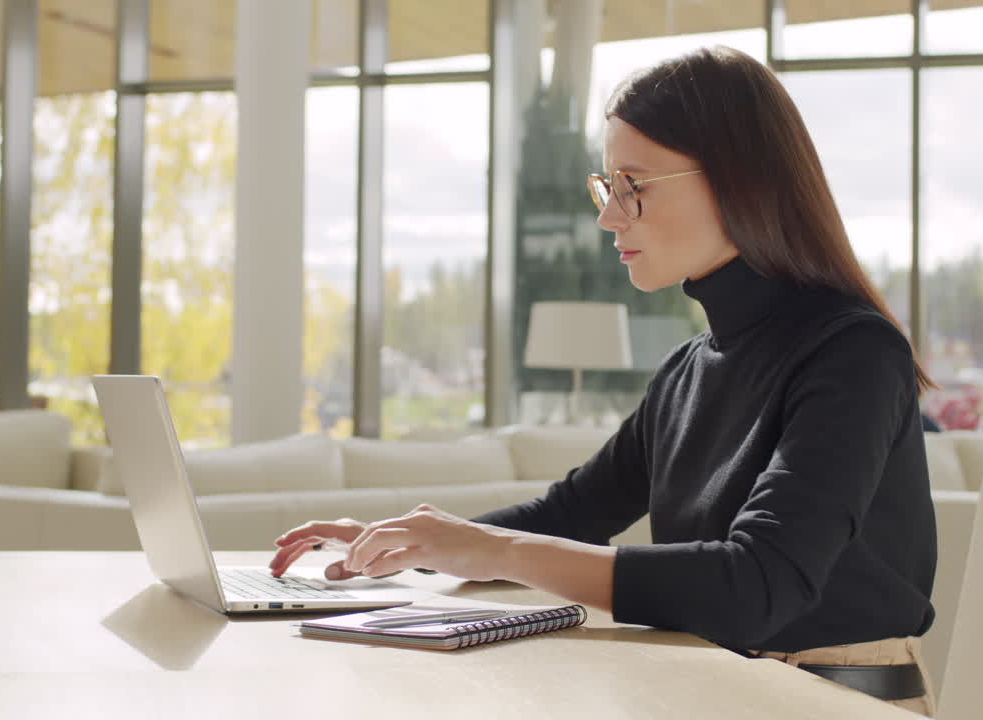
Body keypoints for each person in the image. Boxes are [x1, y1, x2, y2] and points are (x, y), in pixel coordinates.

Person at [270, 45, 938, 716]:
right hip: (711, 691)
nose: (609, 216)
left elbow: (756, 588)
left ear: (739, 181)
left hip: (830, 702)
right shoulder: (687, 371)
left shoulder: (853, 352)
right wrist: (417, 544)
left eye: (634, 187)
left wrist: (495, 549)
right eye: (608, 187)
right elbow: (569, 516)